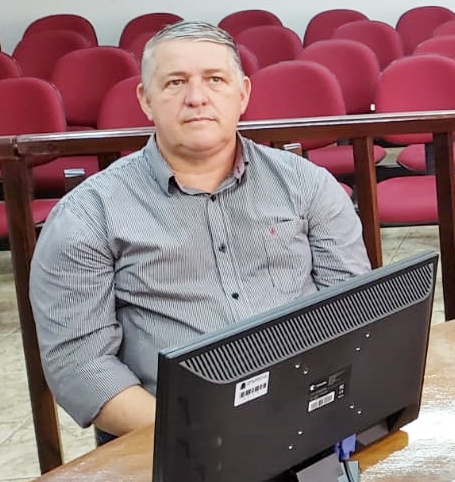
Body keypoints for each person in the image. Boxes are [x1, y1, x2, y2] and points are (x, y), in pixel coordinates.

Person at [29, 21, 371, 437]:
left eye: (215, 79)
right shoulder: (87, 214)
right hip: (170, 438)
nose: (196, 97)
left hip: (308, 422)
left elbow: (356, 311)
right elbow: (82, 367)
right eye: (175, 82)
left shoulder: (308, 185)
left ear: (242, 93)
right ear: (146, 100)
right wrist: (201, 438)